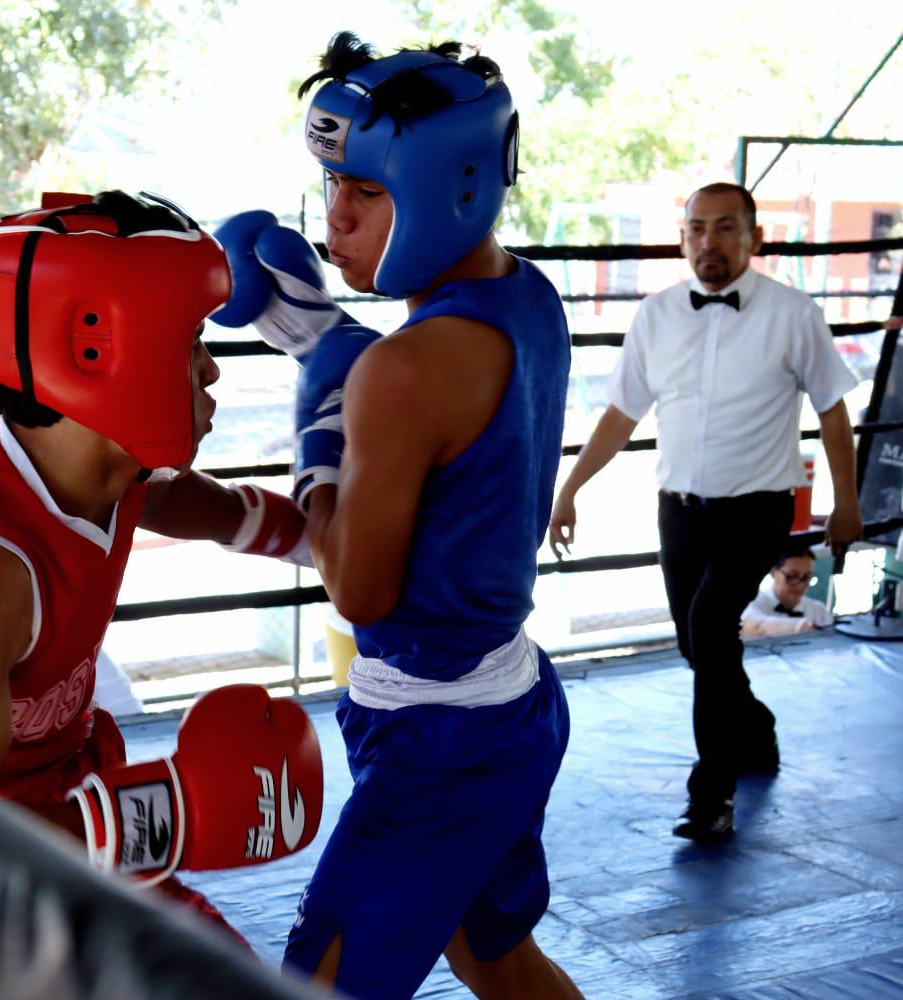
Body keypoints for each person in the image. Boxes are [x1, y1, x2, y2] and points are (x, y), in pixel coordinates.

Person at [211, 32, 581, 1000]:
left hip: (439, 735)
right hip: (508, 702)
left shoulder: (403, 369)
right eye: (331, 186)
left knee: (323, 982)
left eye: (365, 193)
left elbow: (360, 584)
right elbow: (439, 444)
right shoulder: (527, 298)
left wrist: (320, 421)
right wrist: (327, 346)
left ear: (448, 181)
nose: (334, 219)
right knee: (495, 958)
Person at [0, 190, 322, 944]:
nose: (211, 373)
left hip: (69, 817)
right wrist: (168, 812)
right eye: (190, 341)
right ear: (98, 350)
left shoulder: (115, 474)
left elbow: (191, 502)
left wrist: (322, 544)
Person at [548, 181, 862, 842]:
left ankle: (710, 796)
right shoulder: (657, 315)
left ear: (754, 238)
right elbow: (620, 414)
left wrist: (846, 502)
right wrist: (568, 488)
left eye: (724, 228)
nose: (708, 241)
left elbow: (832, 411)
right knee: (702, 646)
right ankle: (754, 727)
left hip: (756, 509)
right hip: (680, 511)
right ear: (682, 237)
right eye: (696, 228)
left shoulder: (791, 313)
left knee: (708, 626)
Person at [740, 545, 833, 637]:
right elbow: (755, 626)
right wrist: (801, 626)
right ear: (773, 572)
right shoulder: (752, 603)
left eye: (806, 577)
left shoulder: (818, 610)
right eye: (792, 577)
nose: (800, 586)